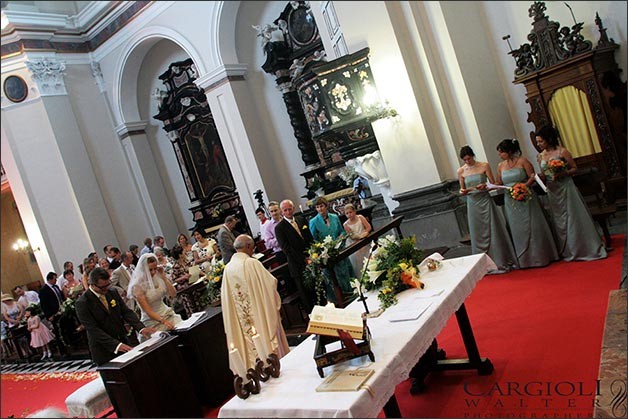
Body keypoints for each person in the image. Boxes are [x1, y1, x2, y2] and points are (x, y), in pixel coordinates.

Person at [536, 125, 607, 261]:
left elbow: (574, 168)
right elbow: (545, 173)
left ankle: (582, 247)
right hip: (553, 190)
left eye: (541, 141)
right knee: (559, 220)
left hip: (565, 186)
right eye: (538, 142)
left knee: (573, 216)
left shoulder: (562, 152)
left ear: (549, 139)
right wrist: (540, 177)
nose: (539, 144)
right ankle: (567, 249)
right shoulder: (541, 156)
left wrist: (563, 172)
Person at [221, 235, 290, 371]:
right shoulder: (252, 263)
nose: (253, 251)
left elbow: (226, 299)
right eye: (252, 248)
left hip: (244, 325)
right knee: (265, 333)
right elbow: (270, 285)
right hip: (260, 320)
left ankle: (255, 369)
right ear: (247, 247)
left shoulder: (227, 269)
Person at [495, 139, 559, 268]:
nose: (500, 155)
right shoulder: (500, 166)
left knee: (532, 224)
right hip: (510, 200)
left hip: (526, 196)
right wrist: (491, 186)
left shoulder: (522, 161)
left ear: (509, 151)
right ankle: (524, 259)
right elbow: (499, 182)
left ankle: (541, 255)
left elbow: (532, 175)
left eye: (502, 152)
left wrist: (524, 186)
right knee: (517, 228)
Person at [75, 267, 155, 365]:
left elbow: (126, 312)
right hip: (103, 349)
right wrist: (116, 345)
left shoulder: (112, 292)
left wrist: (141, 328)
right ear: (92, 285)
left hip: (122, 340)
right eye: (103, 287)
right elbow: (93, 329)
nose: (106, 289)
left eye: (108, 284)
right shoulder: (83, 302)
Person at [458, 145, 518, 272]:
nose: (467, 162)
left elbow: (494, 183)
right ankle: (482, 264)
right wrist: (463, 191)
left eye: (469, 159)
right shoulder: (461, 171)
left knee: (493, 228)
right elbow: (462, 188)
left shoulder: (484, 166)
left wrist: (485, 185)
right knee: (478, 231)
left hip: (485, 200)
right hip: (473, 203)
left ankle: (500, 259)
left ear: (472, 156)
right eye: (465, 160)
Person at [309, 196, 355, 296]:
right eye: (317, 207)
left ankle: (353, 292)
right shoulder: (313, 222)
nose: (320, 209)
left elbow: (342, 231)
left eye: (321, 206)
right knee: (334, 278)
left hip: (340, 251)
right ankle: (341, 298)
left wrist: (339, 242)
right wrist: (324, 248)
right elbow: (314, 240)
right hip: (327, 255)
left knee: (346, 273)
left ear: (326, 206)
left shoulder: (334, 217)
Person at [275, 199, 316, 312]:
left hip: (311, 258)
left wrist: (312, 253)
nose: (288, 212)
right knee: (305, 292)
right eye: (285, 210)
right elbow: (286, 248)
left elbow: (309, 238)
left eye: (290, 209)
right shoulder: (279, 228)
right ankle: (311, 314)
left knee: (315, 287)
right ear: (282, 212)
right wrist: (304, 259)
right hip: (297, 263)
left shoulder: (301, 220)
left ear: (293, 209)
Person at [128, 253, 182, 338]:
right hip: (152, 320)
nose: (153, 272)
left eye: (155, 268)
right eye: (150, 270)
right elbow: (148, 311)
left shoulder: (157, 277)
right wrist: (163, 321)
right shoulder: (137, 286)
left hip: (166, 312)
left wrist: (163, 277)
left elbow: (173, 294)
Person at [39, 272, 69, 356]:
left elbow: (60, 297)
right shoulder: (43, 290)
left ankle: (68, 345)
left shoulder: (55, 286)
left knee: (64, 329)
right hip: (53, 313)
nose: (56, 280)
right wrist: (49, 315)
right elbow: (44, 304)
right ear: (50, 279)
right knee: (58, 332)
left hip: (61, 310)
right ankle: (62, 350)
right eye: (54, 279)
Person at [343, 203, 372, 275]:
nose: (349, 214)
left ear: (354, 211)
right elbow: (352, 236)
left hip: (366, 237)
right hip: (356, 241)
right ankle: (363, 274)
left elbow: (368, 227)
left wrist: (365, 233)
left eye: (350, 212)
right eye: (347, 213)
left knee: (370, 253)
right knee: (359, 257)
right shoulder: (346, 224)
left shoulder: (360, 217)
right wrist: (360, 237)